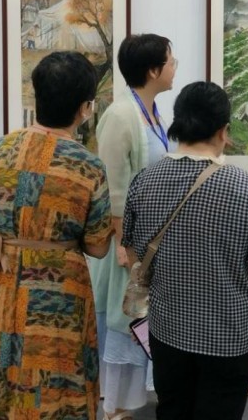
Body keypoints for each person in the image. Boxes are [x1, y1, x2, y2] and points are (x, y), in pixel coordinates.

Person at [0, 51, 112, 420]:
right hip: (55, 295)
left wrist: (12, 231)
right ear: (85, 108)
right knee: (52, 381)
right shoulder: (88, 166)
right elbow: (99, 246)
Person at [122, 81, 248, 420]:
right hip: (229, 335)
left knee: (172, 410)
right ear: (223, 130)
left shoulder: (144, 181)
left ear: (178, 123)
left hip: (167, 329)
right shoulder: (247, 188)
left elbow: (135, 257)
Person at [88, 33, 177, 420]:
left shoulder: (152, 113)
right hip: (127, 245)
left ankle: (125, 404)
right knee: (124, 319)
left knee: (139, 320)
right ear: (153, 70)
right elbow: (113, 188)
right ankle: (115, 407)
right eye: (171, 61)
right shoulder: (121, 115)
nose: (175, 68)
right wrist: (125, 246)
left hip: (149, 241)